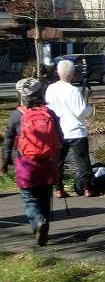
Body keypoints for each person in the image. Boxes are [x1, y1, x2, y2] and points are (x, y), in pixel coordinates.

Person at [2, 78, 63, 246]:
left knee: (29, 197)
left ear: (22, 96)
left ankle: (37, 222)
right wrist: (57, 160)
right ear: (40, 93)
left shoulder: (17, 115)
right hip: (47, 162)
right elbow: (60, 139)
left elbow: (8, 141)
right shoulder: (49, 114)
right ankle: (45, 225)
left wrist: (5, 162)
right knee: (44, 195)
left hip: (25, 163)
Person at [45, 58, 94, 198]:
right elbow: (80, 112)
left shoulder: (51, 89)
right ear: (72, 74)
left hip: (58, 131)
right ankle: (86, 188)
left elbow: (49, 109)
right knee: (82, 160)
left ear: (58, 73)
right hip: (76, 131)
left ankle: (59, 189)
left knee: (58, 161)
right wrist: (90, 109)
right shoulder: (74, 90)